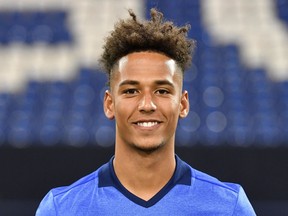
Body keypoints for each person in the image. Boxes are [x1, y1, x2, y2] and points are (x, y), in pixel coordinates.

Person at [36, 8, 256, 215]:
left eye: (162, 90)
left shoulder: (228, 206)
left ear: (183, 104)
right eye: (131, 91)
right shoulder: (61, 208)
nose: (147, 104)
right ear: (109, 104)